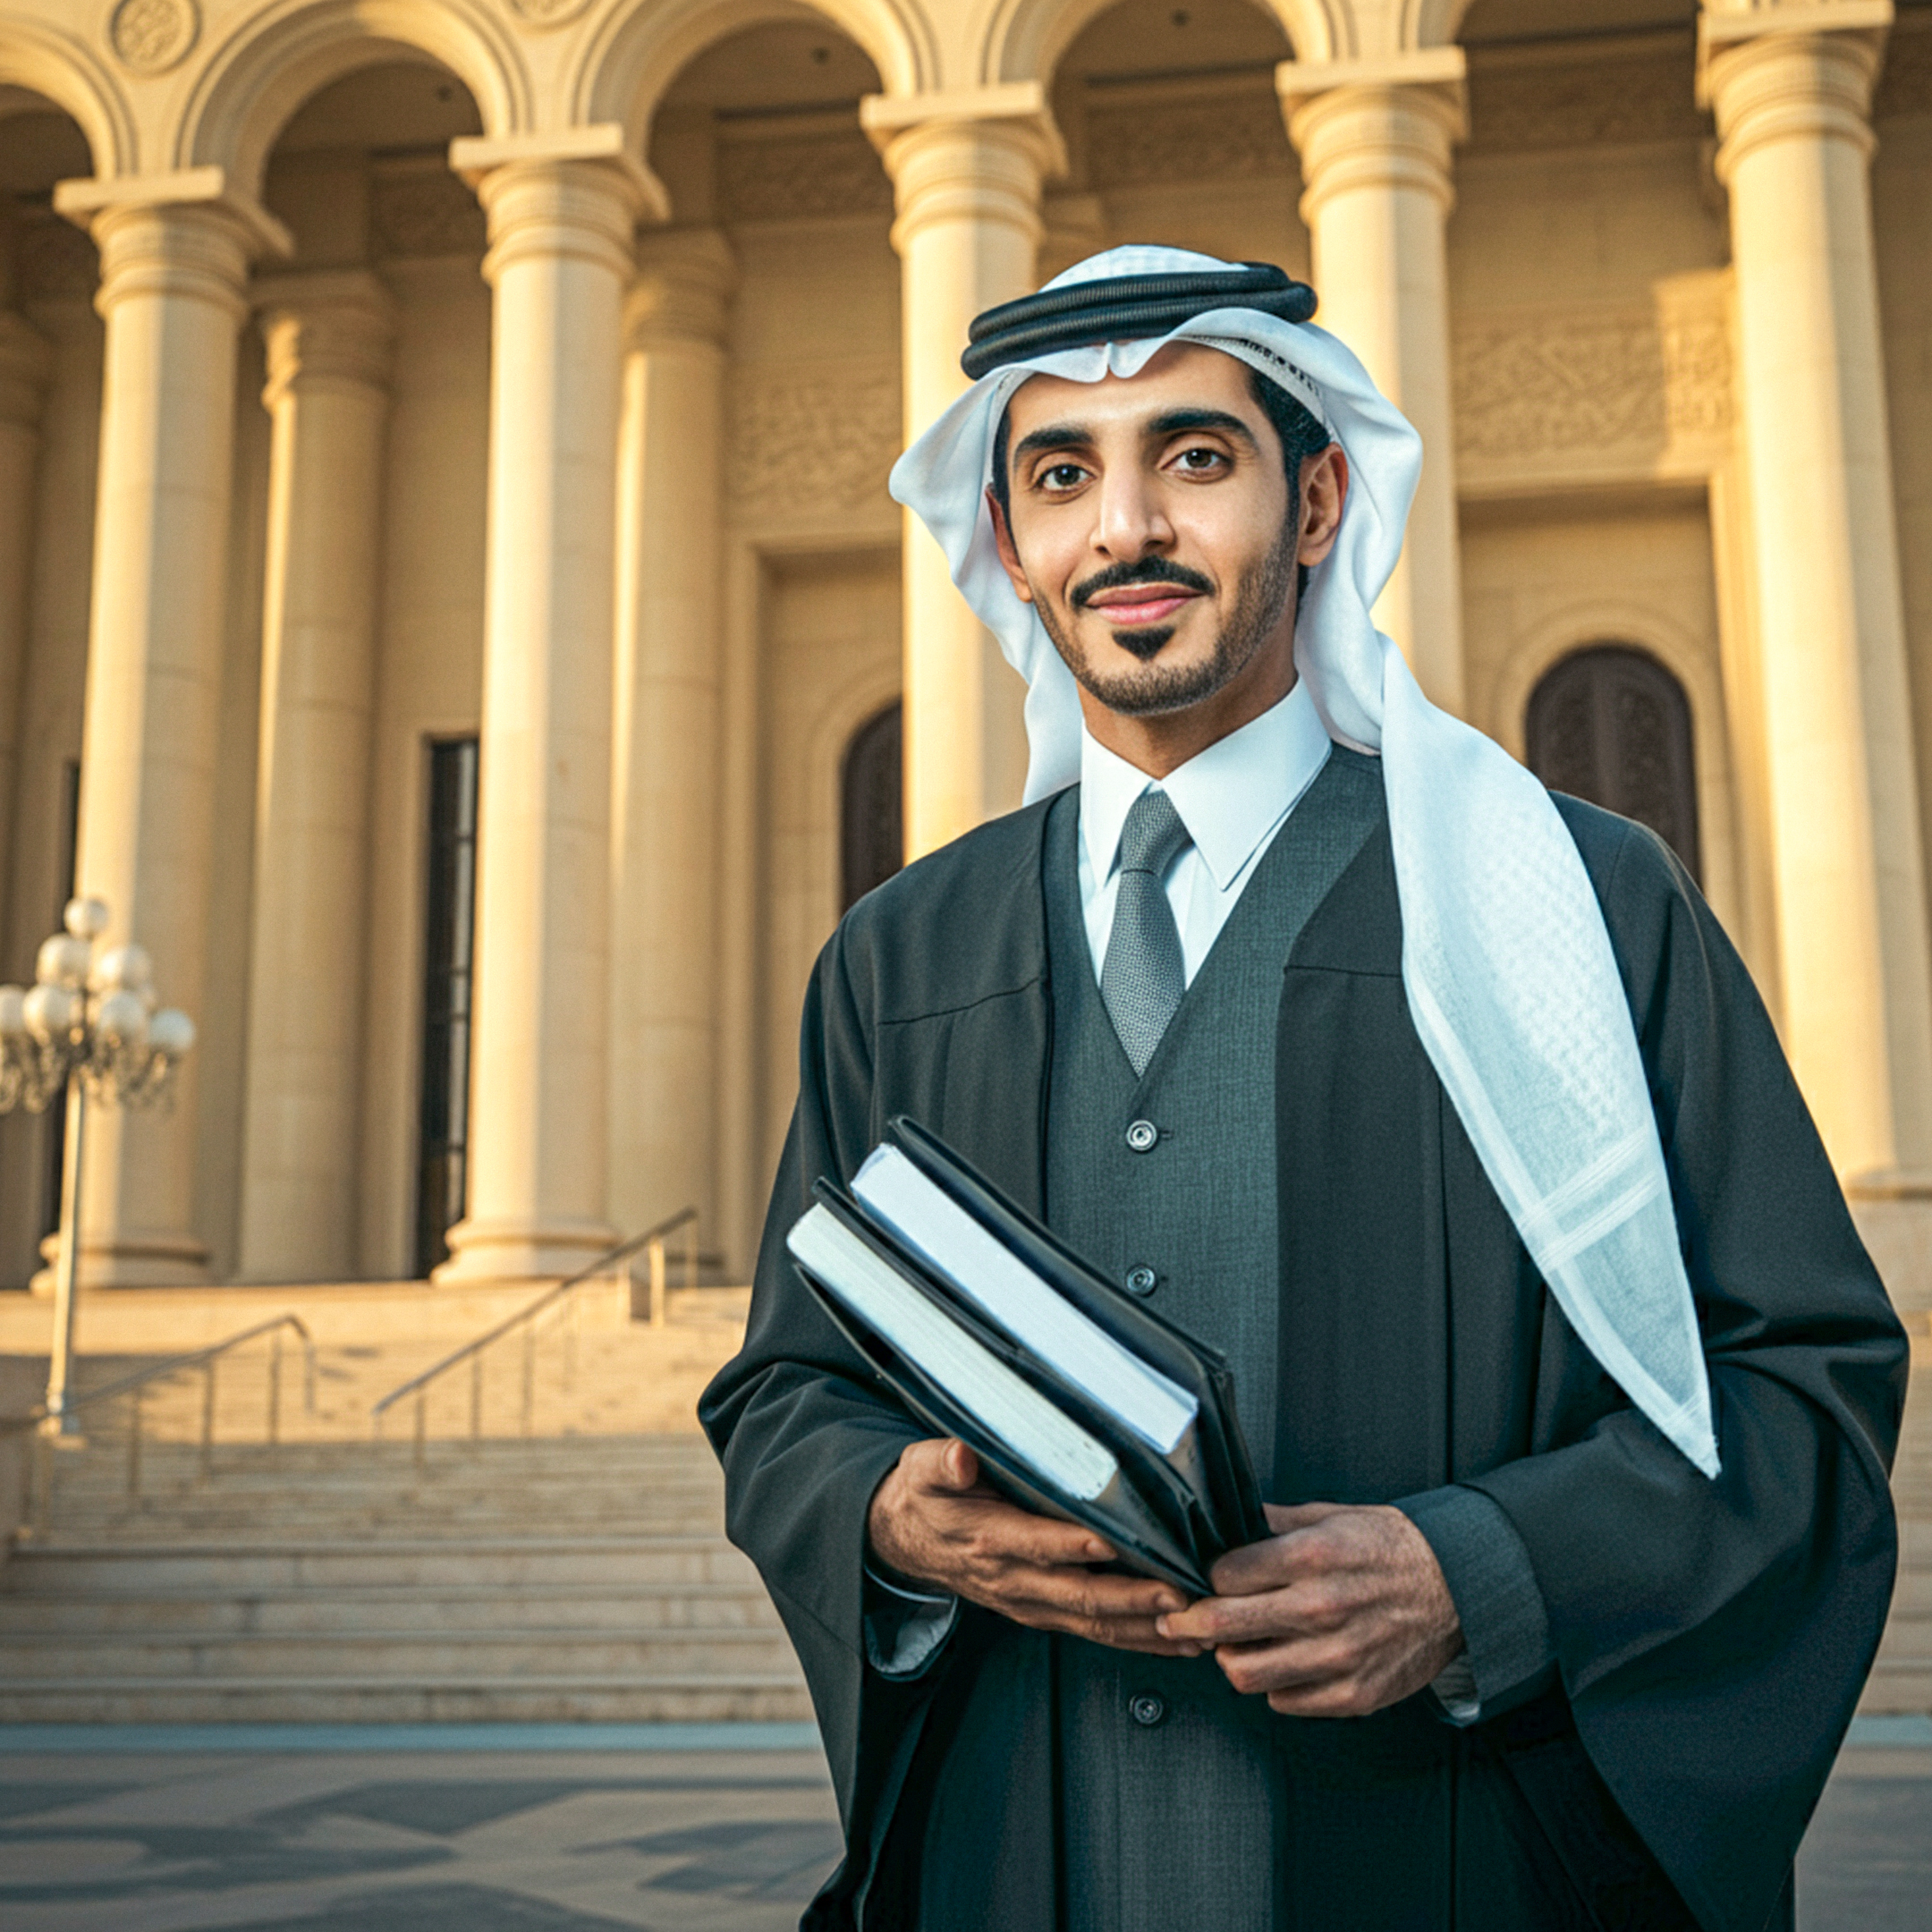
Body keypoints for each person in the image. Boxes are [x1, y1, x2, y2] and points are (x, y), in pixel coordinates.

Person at [700, 247, 1907, 1932]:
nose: (1124, 529)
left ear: (1321, 500)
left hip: (1451, 1864)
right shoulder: (904, 958)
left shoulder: (1575, 904)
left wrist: (1480, 1574)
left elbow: (1800, 1390)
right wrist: (892, 1517)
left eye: (1193, 458)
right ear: (1012, 544)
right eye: (1062, 477)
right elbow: (783, 1399)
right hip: (1013, 1856)